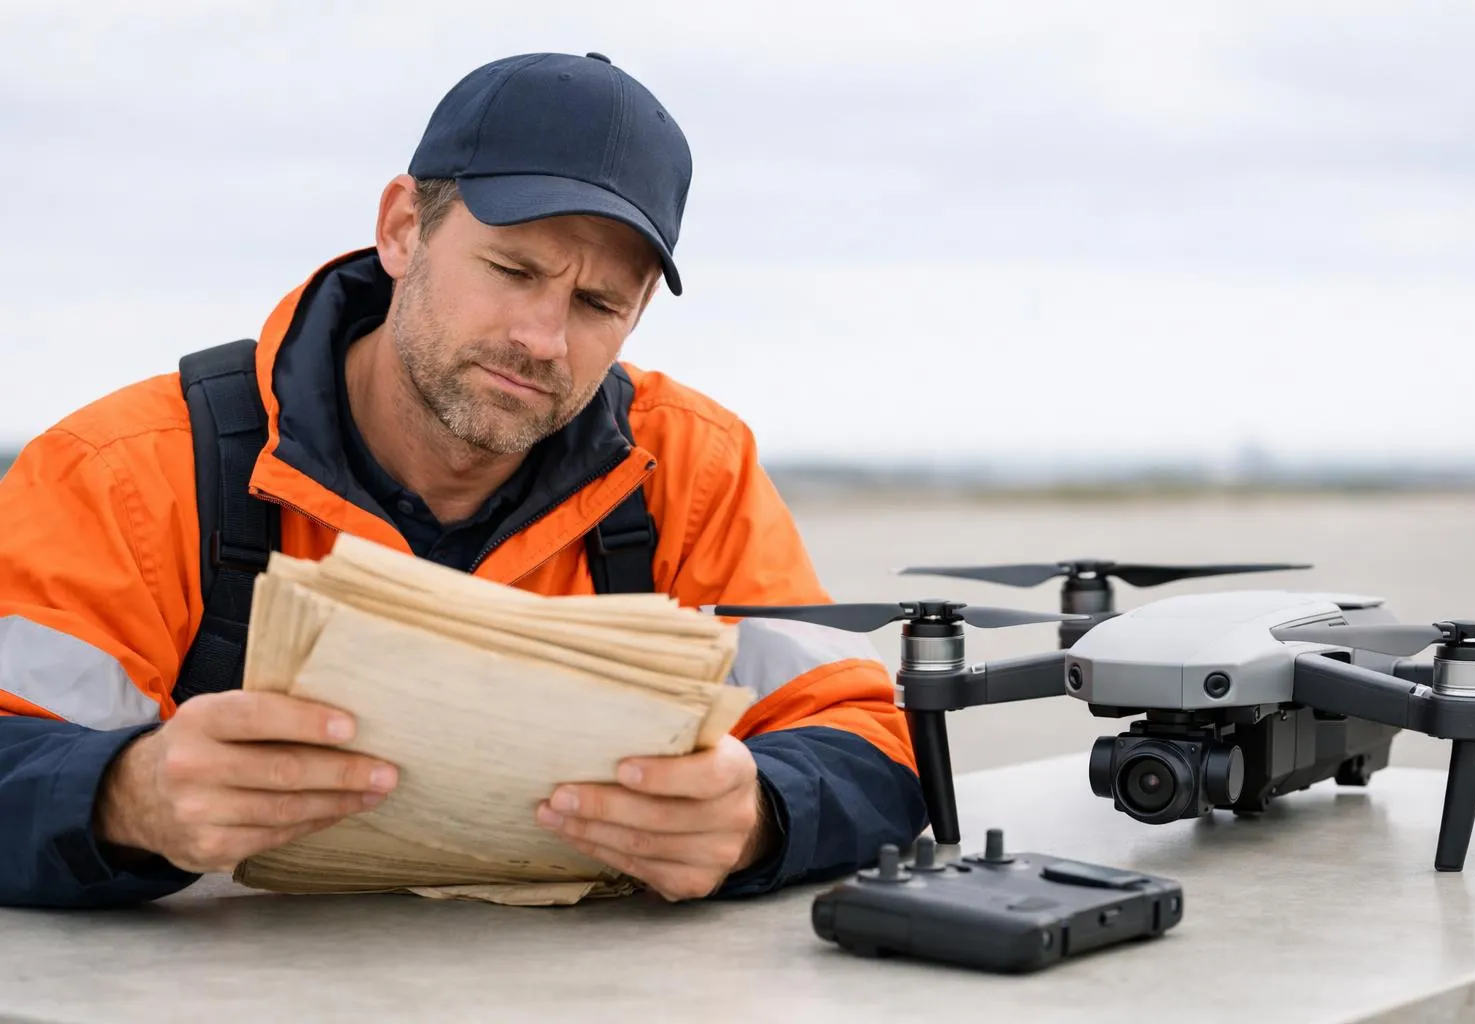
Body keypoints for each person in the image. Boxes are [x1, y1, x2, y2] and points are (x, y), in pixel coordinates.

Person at [0, 52, 928, 909]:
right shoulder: (129, 471)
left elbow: (871, 740)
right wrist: (125, 797)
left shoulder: (694, 468)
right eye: (511, 268)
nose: (543, 338)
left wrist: (759, 815)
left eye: (598, 302)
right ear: (402, 229)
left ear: (640, 311)